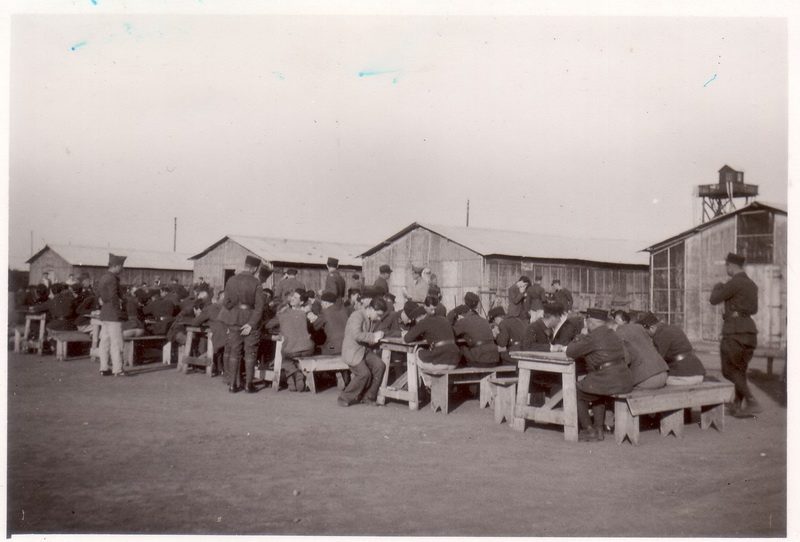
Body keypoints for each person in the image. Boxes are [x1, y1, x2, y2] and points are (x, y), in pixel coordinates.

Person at [566, 308, 633, 442]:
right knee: (595, 390)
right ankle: (599, 429)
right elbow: (628, 358)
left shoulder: (592, 336)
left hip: (607, 379)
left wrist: (580, 336)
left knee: (577, 392)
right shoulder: (613, 334)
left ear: (590, 323)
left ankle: (588, 430)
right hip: (624, 378)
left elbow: (571, 351)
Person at [709, 252, 760, 417]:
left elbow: (714, 299)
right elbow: (754, 309)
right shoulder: (752, 285)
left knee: (729, 371)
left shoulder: (733, 283)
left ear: (731, 266)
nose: (726, 269)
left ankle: (751, 401)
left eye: (726, 266)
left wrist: (718, 286)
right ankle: (737, 407)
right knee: (740, 370)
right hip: (750, 332)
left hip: (734, 332)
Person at [221, 254, 265, 394]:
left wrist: (235, 309)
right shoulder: (256, 282)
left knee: (234, 351)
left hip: (234, 319)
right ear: (255, 268)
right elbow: (260, 307)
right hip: (251, 319)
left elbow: (226, 302)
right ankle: (248, 385)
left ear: (245, 265)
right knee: (250, 352)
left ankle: (233, 385)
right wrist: (251, 324)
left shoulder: (231, 280)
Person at [338, 297, 388, 407]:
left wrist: (377, 338)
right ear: (370, 308)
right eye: (378, 315)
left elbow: (368, 338)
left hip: (364, 351)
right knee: (364, 374)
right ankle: (344, 397)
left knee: (380, 366)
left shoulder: (370, 319)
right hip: (353, 352)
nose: (379, 318)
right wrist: (374, 336)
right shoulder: (356, 316)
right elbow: (357, 335)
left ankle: (368, 397)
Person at [637, 311, 707, 387]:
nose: (646, 335)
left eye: (645, 332)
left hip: (684, 377)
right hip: (698, 373)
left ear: (651, 328)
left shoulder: (660, 336)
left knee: (655, 382)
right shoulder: (672, 328)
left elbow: (654, 363)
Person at [268, 288, 315, 391]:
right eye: (293, 297)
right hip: (307, 349)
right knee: (293, 356)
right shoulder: (304, 314)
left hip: (291, 349)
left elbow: (268, 325)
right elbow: (310, 328)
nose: (292, 299)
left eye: (296, 298)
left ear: (301, 302)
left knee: (284, 357)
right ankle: (291, 384)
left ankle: (296, 373)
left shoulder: (282, 314)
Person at [610, 310, 668, 390]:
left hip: (647, 380)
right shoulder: (639, 327)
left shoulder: (618, 333)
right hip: (663, 374)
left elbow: (626, 360)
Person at [404, 299, 461, 375]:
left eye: (416, 320)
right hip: (455, 361)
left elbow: (407, 338)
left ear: (419, 317)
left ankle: (416, 385)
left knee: (415, 354)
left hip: (440, 361)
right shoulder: (445, 320)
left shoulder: (424, 322)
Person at [97, 253, 128, 377]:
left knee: (105, 341)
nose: (122, 269)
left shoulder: (103, 277)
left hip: (105, 314)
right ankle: (117, 369)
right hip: (114, 315)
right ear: (115, 266)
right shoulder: (112, 279)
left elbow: (100, 295)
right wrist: (120, 308)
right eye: (121, 266)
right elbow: (113, 296)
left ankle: (104, 368)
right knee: (117, 342)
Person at [453, 292, 499, 367]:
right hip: (494, 358)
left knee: (460, 349)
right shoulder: (484, 320)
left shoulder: (464, 321)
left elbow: (450, 333)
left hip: (480, 358)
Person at [310, 291, 349, 355]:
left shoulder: (325, 312)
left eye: (322, 303)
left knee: (318, 350)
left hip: (333, 347)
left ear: (326, 303)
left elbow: (315, 326)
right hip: (347, 346)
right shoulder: (344, 311)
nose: (321, 305)